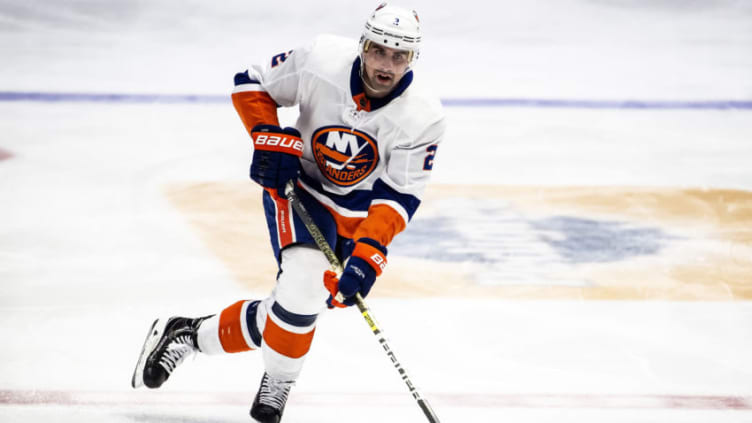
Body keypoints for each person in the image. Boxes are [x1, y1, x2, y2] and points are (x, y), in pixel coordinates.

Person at [131, 3, 445, 422]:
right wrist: (268, 138)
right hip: (299, 188)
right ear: (363, 44)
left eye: (399, 55)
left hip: (356, 213)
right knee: (304, 280)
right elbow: (252, 82)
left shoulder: (423, 116)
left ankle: (189, 334)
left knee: (297, 306)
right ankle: (279, 381)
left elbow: (399, 196)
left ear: (413, 58)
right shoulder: (321, 59)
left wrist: (370, 253)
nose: (386, 64)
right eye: (378, 50)